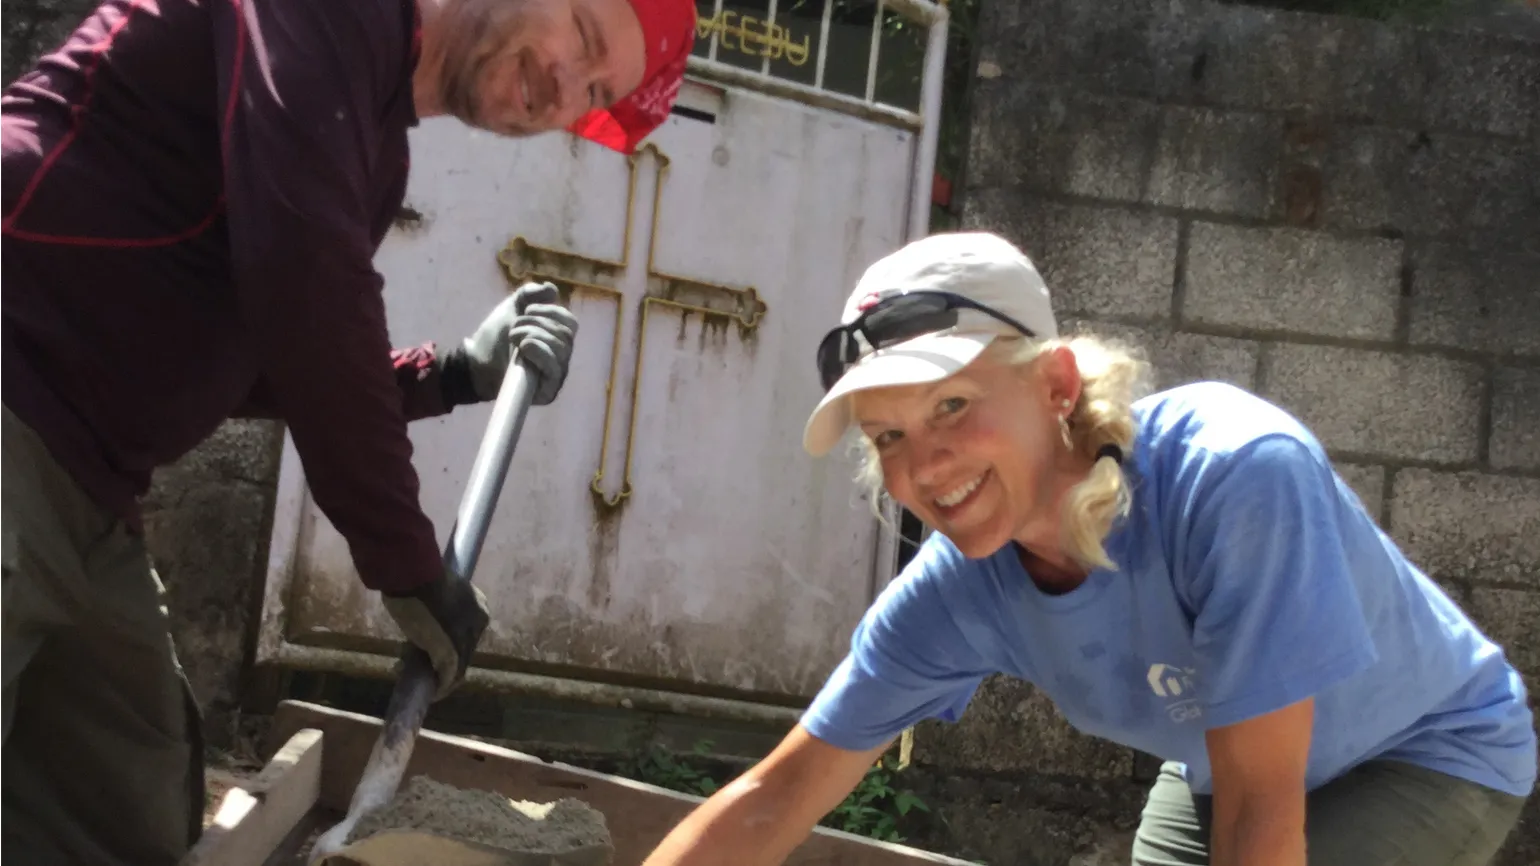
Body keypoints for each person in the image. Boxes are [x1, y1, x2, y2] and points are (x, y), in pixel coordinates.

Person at [1, 0, 694, 860]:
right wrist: (408, 563)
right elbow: (306, 285)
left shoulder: (374, 159)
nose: (565, 87)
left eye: (593, 92)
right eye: (583, 39)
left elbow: (273, 358)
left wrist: (443, 375)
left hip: (89, 492)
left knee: (125, 801)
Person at [638, 231, 1537, 866]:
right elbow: (774, 798)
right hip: (1223, 765)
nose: (927, 464)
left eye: (952, 406)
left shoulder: (1235, 477)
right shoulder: (958, 593)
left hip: (1424, 753)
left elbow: (1264, 812)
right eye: (890, 437)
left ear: (1057, 383)